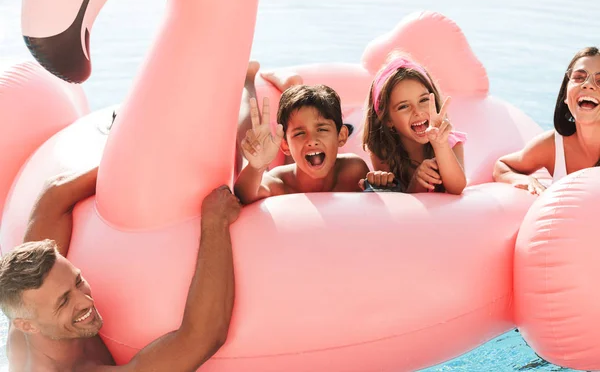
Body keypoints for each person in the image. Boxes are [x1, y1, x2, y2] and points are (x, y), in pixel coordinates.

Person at [1, 166, 241, 371]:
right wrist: (215, 220)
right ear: (26, 325)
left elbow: (53, 195)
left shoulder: (33, 299)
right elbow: (203, 338)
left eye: (77, 281)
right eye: (63, 302)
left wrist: (136, 168)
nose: (85, 300)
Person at [234, 73, 370, 204]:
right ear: (285, 145)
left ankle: (291, 87)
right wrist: (256, 167)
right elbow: (246, 194)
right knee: (252, 152)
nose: (311, 140)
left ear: (341, 136)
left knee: (301, 146)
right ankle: (248, 80)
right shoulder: (279, 183)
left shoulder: (353, 171)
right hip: (280, 169)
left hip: (298, 165)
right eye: (300, 133)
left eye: (322, 129)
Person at [493, 47, 600, 194]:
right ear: (565, 96)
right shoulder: (553, 146)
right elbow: (502, 166)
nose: (588, 84)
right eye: (579, 77)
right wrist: (526, 180)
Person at [361, 54, 467, 194]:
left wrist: (441, 145)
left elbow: (457, 188)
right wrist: (416, 180)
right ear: (388, 120)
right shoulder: (383, 150)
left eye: (423, 100)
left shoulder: (450, 142)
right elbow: (399, 204)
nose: (417, 112)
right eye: (404, 106)